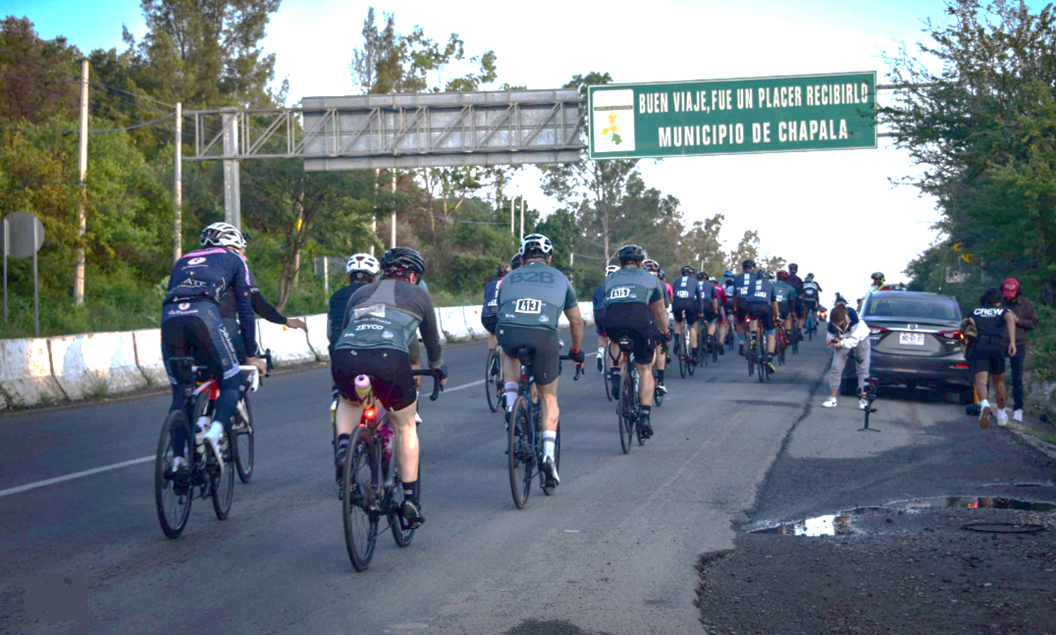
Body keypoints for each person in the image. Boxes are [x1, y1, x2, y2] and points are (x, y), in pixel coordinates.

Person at [332, 247, 446, 527]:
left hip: (346, 355)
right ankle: (408, 498)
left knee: (349, 400)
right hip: (390, 359)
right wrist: (438, 368)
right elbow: (431, 340)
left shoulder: (360, 294)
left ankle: (345, 446)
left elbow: (345, 329)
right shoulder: (420, 294)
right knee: (405, 426)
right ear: (414, 275)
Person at [161, 223, 267, 476]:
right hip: (204, 315)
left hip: (170, 318)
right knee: (230, 380)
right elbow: (246, 308)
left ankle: (178, 460)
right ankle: (215, 431)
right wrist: (251, 352)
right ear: (235, 244)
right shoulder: (235, 259)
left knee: (180, 393)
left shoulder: (182, 260)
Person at [496, 233, 585, 489]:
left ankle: (511, 401)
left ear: (522, 258)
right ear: (549, 257)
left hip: (509, 331)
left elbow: (500, 311)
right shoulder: (561, 277)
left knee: (508, 352)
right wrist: (577, 350)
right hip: (544, 335)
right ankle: (548, 455)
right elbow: (576, 320)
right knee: (549, 397)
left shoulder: (509, 276)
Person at [603, 245, 670, 438]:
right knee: (645, 369)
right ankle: (645, 417)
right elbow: (659, 311)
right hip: (639, 320)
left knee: (615, 342)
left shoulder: (610, 278)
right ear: (641, 262)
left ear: (620, 263)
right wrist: (665, 332)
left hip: (613, 320)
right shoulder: (651, 278)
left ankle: (617, 376)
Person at [964, 288, 1017, 428]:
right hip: (996, 345)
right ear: (998, 300)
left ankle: (984, 405)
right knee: (999, 380)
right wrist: (1012, 342)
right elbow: (1010, 319)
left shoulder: (974, 311)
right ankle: (1001, 415)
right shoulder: (1004, 311)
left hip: (979, 345)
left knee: (981, 381)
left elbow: (966, 327)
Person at [327, 253, 380, 356]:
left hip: (341, 352)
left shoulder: (336, 296)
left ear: (350, 279)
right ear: (374, 279)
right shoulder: (382, 295)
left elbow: (329, 333)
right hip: (373, 353)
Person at [1001, 278, 1038, 423]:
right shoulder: (999, 302)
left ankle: (1018, 410)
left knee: (1017, 378)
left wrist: (1019, 321)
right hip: (1000, 343)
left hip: (1019, 343)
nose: (1009, 296)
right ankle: (998, 407)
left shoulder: (1026, 304)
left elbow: (1034, 323)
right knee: (997, 375)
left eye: (1011, 293)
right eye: (1006, 293)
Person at [822, 304, 871, 409]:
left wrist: (841, 343)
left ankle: (863, 400)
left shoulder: (853, 317)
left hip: (861, 338)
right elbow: (830, 339)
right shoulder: (831, 325)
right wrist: (831, 343)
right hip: (843, 340)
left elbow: (854, 340)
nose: (837, 326)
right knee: (836, 367)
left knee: (862, 369)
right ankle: (832, 399)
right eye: (835, 324)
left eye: (839, 324)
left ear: (843, 319)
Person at [744, 270, 779, 373]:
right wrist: (776, 316)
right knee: (771, 333)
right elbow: (774, 303)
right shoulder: (770, 285)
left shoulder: (750, 284)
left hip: (752, 306)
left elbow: (746, 299)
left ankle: (753, 337)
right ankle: (769, 358)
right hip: (765, 307)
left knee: (753, 318)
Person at [672, 265, 703, 364]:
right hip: (690, 303)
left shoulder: (677, 280)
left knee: (678, 322)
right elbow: (699, 298)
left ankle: (676, 341)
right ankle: (694, 355)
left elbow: (673, 294)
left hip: (677, 302)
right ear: (691, 274)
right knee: (691, 327)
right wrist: (700, 311)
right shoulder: (694, 281)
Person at [594, 264, 620, 373]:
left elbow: (594, 304)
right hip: (611, 312)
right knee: (615, 340)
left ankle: (600, 351)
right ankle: (614, 367)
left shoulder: (599, 288)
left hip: (598, 313)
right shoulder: (618, 286)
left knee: (602, 334)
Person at [481, 263, 511, 354]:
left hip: (486, 316)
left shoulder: (489, 284)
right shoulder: (511, 284)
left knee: (493, 333)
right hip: (502, 315)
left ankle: (492, 355)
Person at [732, 259, 756, 356]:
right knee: (754, 319)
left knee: (740, 322)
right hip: (752, 303)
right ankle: (753, 337)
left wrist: (734, 307)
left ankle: (741, 341)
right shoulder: (756, 277)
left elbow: (734, 295)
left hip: (740, 302)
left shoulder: (737, 278)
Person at [696, 271, 720, 357]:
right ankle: (710, 337)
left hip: (697, 304)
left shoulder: (695, 283)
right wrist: (715, 311)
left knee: (696, 321)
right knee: (712, 321)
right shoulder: (711, 285)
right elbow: (714, 300)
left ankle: (696, 337)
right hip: (707, 304)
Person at [774, 270, 799, 341]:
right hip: (783, 306)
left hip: (773, 306)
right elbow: (792, 302)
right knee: (788, 316)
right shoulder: (791, 288)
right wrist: (792, 311)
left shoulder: (771, 285)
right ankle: (788, 331)